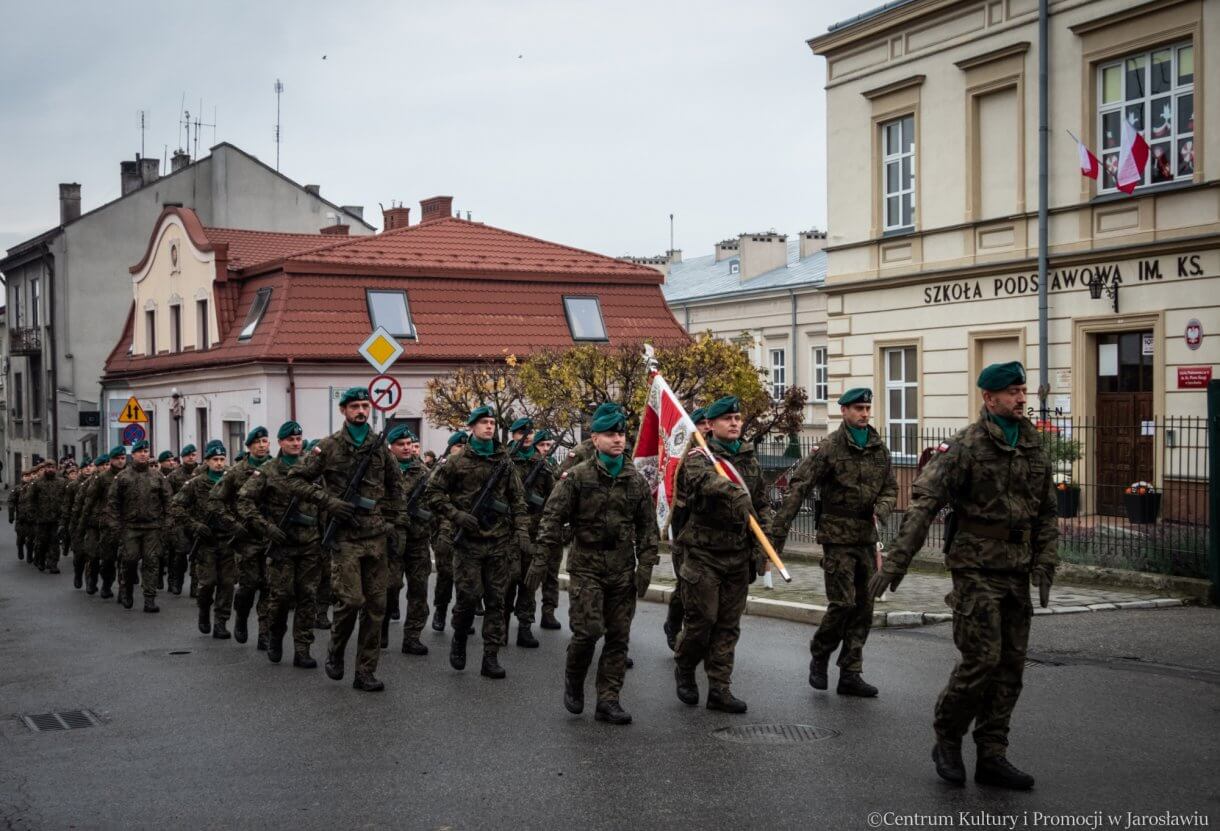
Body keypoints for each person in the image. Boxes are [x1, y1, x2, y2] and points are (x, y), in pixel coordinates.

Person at [869, 362, 1058, 790]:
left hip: (1017, 568)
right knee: (982, 659)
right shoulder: (966, 446)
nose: (1022, 399)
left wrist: (1046, 561)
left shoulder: (1032, 445)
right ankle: (948, 737)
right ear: (989, 399)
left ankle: (992, 754)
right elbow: (924, 504)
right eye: (1012, 392)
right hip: (975, 567)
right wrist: (898, 563)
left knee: (1011, 667)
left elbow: (1047, 512)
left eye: (1023, 390)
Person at [529, 403, 657, 724]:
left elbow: (647, 528)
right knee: (587, 632)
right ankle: (574, 678)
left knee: (618, 636)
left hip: (622, 566)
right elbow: (552, 518)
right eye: (610, 434)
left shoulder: (635, 480)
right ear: (595, 438)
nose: (618, 439)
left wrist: (646, 566)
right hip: (586, 564)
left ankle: (608, 700)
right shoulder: (577, 477)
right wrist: (541, 560)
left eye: (622, 433)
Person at [770, 388, 897, 696]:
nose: (864, 414)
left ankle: (851, 672)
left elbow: (891, 489)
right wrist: (778, 535)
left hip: (867, 537)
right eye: (858, 408)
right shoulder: (830, 447)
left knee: (864, 608)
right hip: (837, 537)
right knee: (843, 604)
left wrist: (880, 509)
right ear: (844, 411)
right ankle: (820, 650)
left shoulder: (879, 448)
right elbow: (800, 485)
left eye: (867, 407)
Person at [286, 388, 401, 692]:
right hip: (346, 538)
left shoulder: (379, 448)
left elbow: (395, 487)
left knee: (377, 607)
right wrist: (329, 502)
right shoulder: (329, 447)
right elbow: (295, 479)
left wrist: (391, 522)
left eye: (365, 406)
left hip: (375, 536)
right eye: (355, 406)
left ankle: (365, 672)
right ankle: (336, 650)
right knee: (351, 601)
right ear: (343, 411)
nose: (361, 411)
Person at [671, 396, 772, 713]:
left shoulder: (749, 460)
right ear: (711, 425)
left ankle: (719, 689)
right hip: (704, 555)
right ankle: (685, 667)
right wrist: (735, 492)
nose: (734, 423)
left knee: (728, 626)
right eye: (727, 418)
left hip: (737, 556)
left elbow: (762, 505)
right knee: (702, 623)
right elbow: (702, 482)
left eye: (738, 418)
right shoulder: (699, 456)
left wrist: (764, 545)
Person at [424, 405, 530, 679]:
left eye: (492, 422)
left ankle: (490, 656)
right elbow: (433, 492)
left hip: (498, 542)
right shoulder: (457, 462)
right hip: (468, 543)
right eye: (483, 422)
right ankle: (459, 638)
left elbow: (517, 498)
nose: (489, 426)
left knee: (496, 600)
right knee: (469, 598)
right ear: (471, 427)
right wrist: (456, 515)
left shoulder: (504, 461)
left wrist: (521, 532)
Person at [237, 421, 323, 667]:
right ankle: (275, 635)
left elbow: (325, 500)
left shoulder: (312, 468)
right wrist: (266, 528)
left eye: (299, 439)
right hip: (281, 545)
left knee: (308, 597)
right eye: (290, 440)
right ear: (281, 443)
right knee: (282, 597)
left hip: (310, 544)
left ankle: (303, 649)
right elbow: (244, 501)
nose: (296, 443)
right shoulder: (268, 470)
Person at [209, 428, 275, 648]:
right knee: (248, 585)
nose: (262, 445)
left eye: (265, 441)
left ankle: (264, 633)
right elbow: (216, 500)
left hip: (270, 536)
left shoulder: (276, 468)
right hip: (245, 538)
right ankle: (242, 616)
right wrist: (232, 524)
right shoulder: (236, 472)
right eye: (257, 442)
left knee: (268, 585)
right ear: (249, 447)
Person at [172, 441, 235, 638]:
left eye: (222, 459)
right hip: (206, 542)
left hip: (227, 540)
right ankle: (203, 611)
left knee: (227, 583)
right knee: (207, 583)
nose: (219, 463)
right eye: (215, 459)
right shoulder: (195, 483)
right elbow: (176, 507)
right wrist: (194, 525)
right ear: (207, 461)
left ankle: (221, 622)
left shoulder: (231, 481)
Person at [503, 418, 555, 649]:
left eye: (530, 431)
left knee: (529, 580)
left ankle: (525, 626)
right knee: (506, 579)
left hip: (533, 531)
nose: (528, 435)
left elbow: (552, 497)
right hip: (507, 530)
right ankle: (500, 625)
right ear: (513, 434)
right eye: (522, 432)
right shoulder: (503, 460)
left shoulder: (541, 463)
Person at [663, 405, 710, 649]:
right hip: (684, 528)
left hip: (709, 533)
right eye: (701, 424)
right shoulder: (684, 455)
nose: (705, 428)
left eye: (707, 424)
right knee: (685, 583)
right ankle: (673, 623)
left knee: (703, 587)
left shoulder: (715, 454)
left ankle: (697, 636)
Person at [384, 424, 433, 655]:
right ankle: (379, 628)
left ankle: (412, 637)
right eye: (400, 445)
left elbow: (434, 501)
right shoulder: (382, 471)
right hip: (390, 539)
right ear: (391, 447)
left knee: (418, 589)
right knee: (388, 586)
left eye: (408, 444)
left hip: (417, 539)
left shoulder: (423, 471)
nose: (406, 448)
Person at [109, 440, 173, 612]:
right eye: (140, 451)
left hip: (152, 527)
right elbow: (113, 503)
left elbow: (168, 500)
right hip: (130, 527)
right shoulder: (123, 477)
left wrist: (168, 522)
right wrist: (115, 526)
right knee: (129, 561)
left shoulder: (157, 476)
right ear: (133, 454)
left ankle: (149, 599)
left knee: (151, 562)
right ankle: (127, 589)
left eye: (146, 451)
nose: (144, 454)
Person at [430, 430, 468, 632]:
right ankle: (440, 611)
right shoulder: (442, 468)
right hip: (445, 526)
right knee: (446, 573)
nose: (461, 450)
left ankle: (460, 616)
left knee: (467, 575)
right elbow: (432, 498)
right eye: (458, 447)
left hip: (468, 524)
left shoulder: (472, 466)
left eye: (464, 446)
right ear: (450, 448)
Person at [76, 447, 127, 598]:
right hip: (97, 523)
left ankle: (107, 585)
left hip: (120, 523)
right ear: (111, 459)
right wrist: (81, 526)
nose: (120, 461)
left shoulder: (128, 476)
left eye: (123, 458)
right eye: (117, 458)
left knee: (110, 558)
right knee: (93, 555)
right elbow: (89, 502)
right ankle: (91, 580)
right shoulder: (101, 478)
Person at [167, 444, 200, 596]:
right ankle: (177, 581)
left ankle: (195, 587)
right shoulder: (174, 476)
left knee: (198, 554)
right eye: (188, 455)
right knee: (180, 554)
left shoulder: (201, 472)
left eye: (193, 455)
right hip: (180, 520)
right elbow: (168, 498)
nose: (191, 457)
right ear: (183, 457)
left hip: (198, 519)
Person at [28, 461, 68, 574]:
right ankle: (41, 559)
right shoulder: (37, 483)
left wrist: (64, 515)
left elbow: (66, 500)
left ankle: (53, 564)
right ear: (45, 468)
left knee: (54, 542)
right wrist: (32, 514)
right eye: (48, 467)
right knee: (42, 541)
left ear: (55, 468)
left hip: (56, 518)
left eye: (52, 467)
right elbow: (31, 499)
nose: (50, 469)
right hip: (41, 518)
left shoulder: (62, 482)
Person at [63, 459, 96, 588]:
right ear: (81, 470)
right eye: (85, 466)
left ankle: (89, 580)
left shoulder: (97, 482)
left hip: (92, 523)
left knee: (92, 554)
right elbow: (67, 505)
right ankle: (78, 574)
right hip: (77, 523)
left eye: (90, 466)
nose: (88, 469)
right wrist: (65, 524)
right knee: (79, 554)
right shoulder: (73, 485)